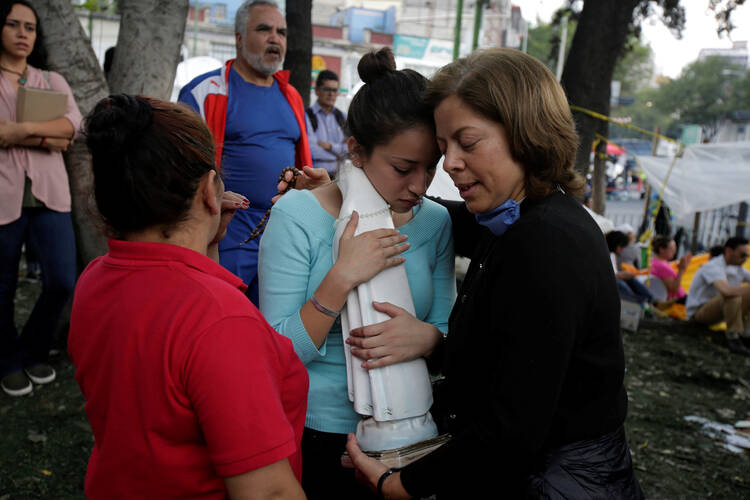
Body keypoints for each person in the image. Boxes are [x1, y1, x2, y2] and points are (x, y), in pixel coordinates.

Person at [344, 48, 642, 499]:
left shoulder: (545, 244)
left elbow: (512, 427)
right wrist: (340, 192)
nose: (450, 164)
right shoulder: (520, 215)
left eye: (468, 142)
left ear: (525, 133)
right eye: (443, 148)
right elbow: (438, 214)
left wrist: (399, 484)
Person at [68, 94, 307, 499]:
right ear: (211, 191)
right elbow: (269, 492)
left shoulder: (94, 280)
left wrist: (209, 240)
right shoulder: (222, 321)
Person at [258, 47, 455, 499]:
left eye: (432, 167)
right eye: (403, 168)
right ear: (356, 152)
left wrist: (427, 339)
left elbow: (445, 327)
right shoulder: (297, 218)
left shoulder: (436, 222)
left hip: (408, 433)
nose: (420, 186)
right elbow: (274, 355)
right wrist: (341, 278)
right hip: (313, 431)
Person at [178, 0, 312, 306]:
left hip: (282, 233)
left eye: (281, 32)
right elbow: (178, 169)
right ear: (239, 38)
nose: (275, 38)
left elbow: (303, 163)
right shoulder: (206, 92)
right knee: (218, 319)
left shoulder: (290, 95)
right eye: (264, 29)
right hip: (226, 235)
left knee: (270, 327)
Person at [0, 0, 81, 397]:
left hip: (50, 195)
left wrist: (19, 131)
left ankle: (34, 349)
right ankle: (9, 360)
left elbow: (73, 128)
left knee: (63, 279)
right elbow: (58, 135)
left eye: (30, 27)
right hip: (4, 195)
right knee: (1, 286)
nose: (22, 34)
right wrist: (48, 137)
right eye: (13, 25)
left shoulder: (51, 80)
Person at [686, 236, 750, 355]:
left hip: (719, 310)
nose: (745, 259)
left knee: (738, 293)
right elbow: (726, 291)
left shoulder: (737, 268)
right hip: (699, 312)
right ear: (729, 251)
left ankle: (746, 335)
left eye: (747, 255)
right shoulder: (713, 266)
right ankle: (733, 337)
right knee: (731, 295)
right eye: (742, 255)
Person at [305, 69, 348, 177]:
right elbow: (311, 150)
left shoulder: (343, 117)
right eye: (327, 89)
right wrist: (338, 155)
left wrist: (330, 147)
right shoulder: (307, 116)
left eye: (335, 90)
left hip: (340, 179)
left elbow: (351, 148)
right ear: (317, 91)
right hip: (314, 178)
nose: (331, 94)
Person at [607, 230, 656, 306]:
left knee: (632, 280)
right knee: (621, 284)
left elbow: (615, 272)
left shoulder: (613, 255)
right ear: (614, 244)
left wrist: (622, 275)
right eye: (621, 247)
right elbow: (606, 276)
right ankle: (640, 303)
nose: (622, 250)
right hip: (611, 282)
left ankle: (652, 300)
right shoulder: (605, 255)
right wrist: (620, 275)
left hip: (615, 279)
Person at [650, 235, 691, 303]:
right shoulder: (661, 266)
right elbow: (674, 289)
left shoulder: (658, 262)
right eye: (672, 249)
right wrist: (681, 270)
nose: (674, 252)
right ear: (662, 249)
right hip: (677, 301)